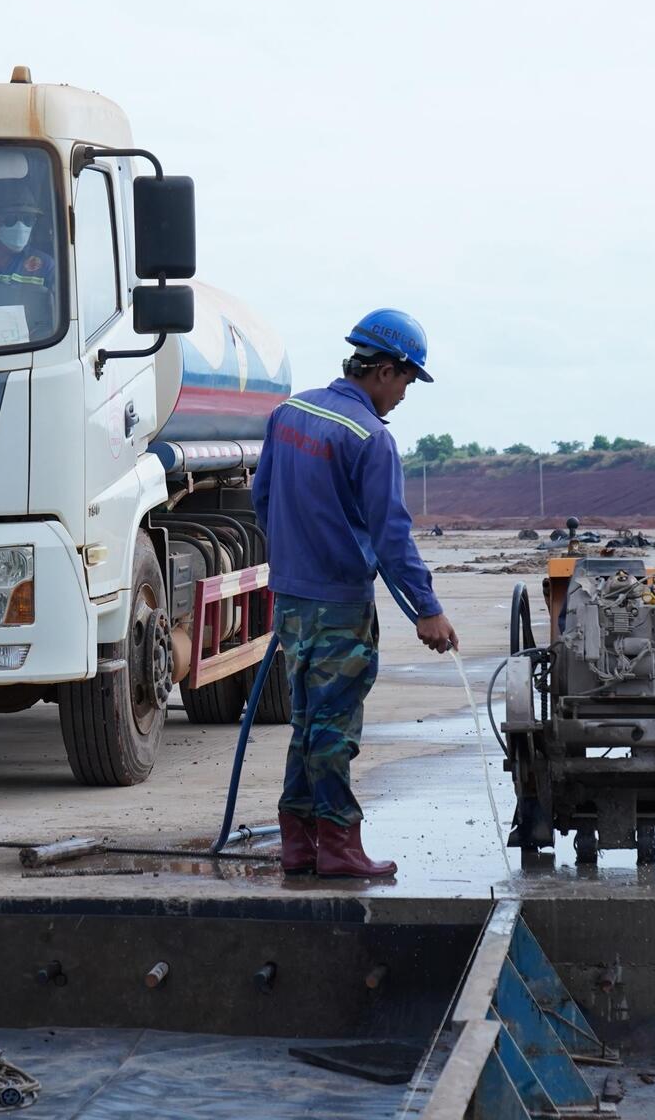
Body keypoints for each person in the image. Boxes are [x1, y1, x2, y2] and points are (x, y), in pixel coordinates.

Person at [251, 308, 459, 880]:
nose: (405, 394)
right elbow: (392, 535)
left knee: (307, 721)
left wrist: (295, 561)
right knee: (334, 727)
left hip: (291, 598)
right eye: (409, 380)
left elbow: (262, 497)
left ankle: (299, 843)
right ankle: (339, 846)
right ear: (386, 370)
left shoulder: (289, 413)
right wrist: (428, 611)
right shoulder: (370, 439)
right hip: (340, 604)